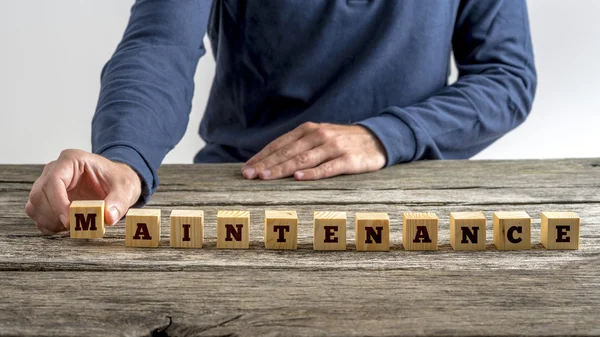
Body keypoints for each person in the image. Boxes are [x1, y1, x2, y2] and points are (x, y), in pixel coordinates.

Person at [26, 0, 537, 234]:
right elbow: (162, 44)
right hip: (241, 192)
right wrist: (125, 157)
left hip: (410, 199)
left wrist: (382, 136)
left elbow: (506, 76)